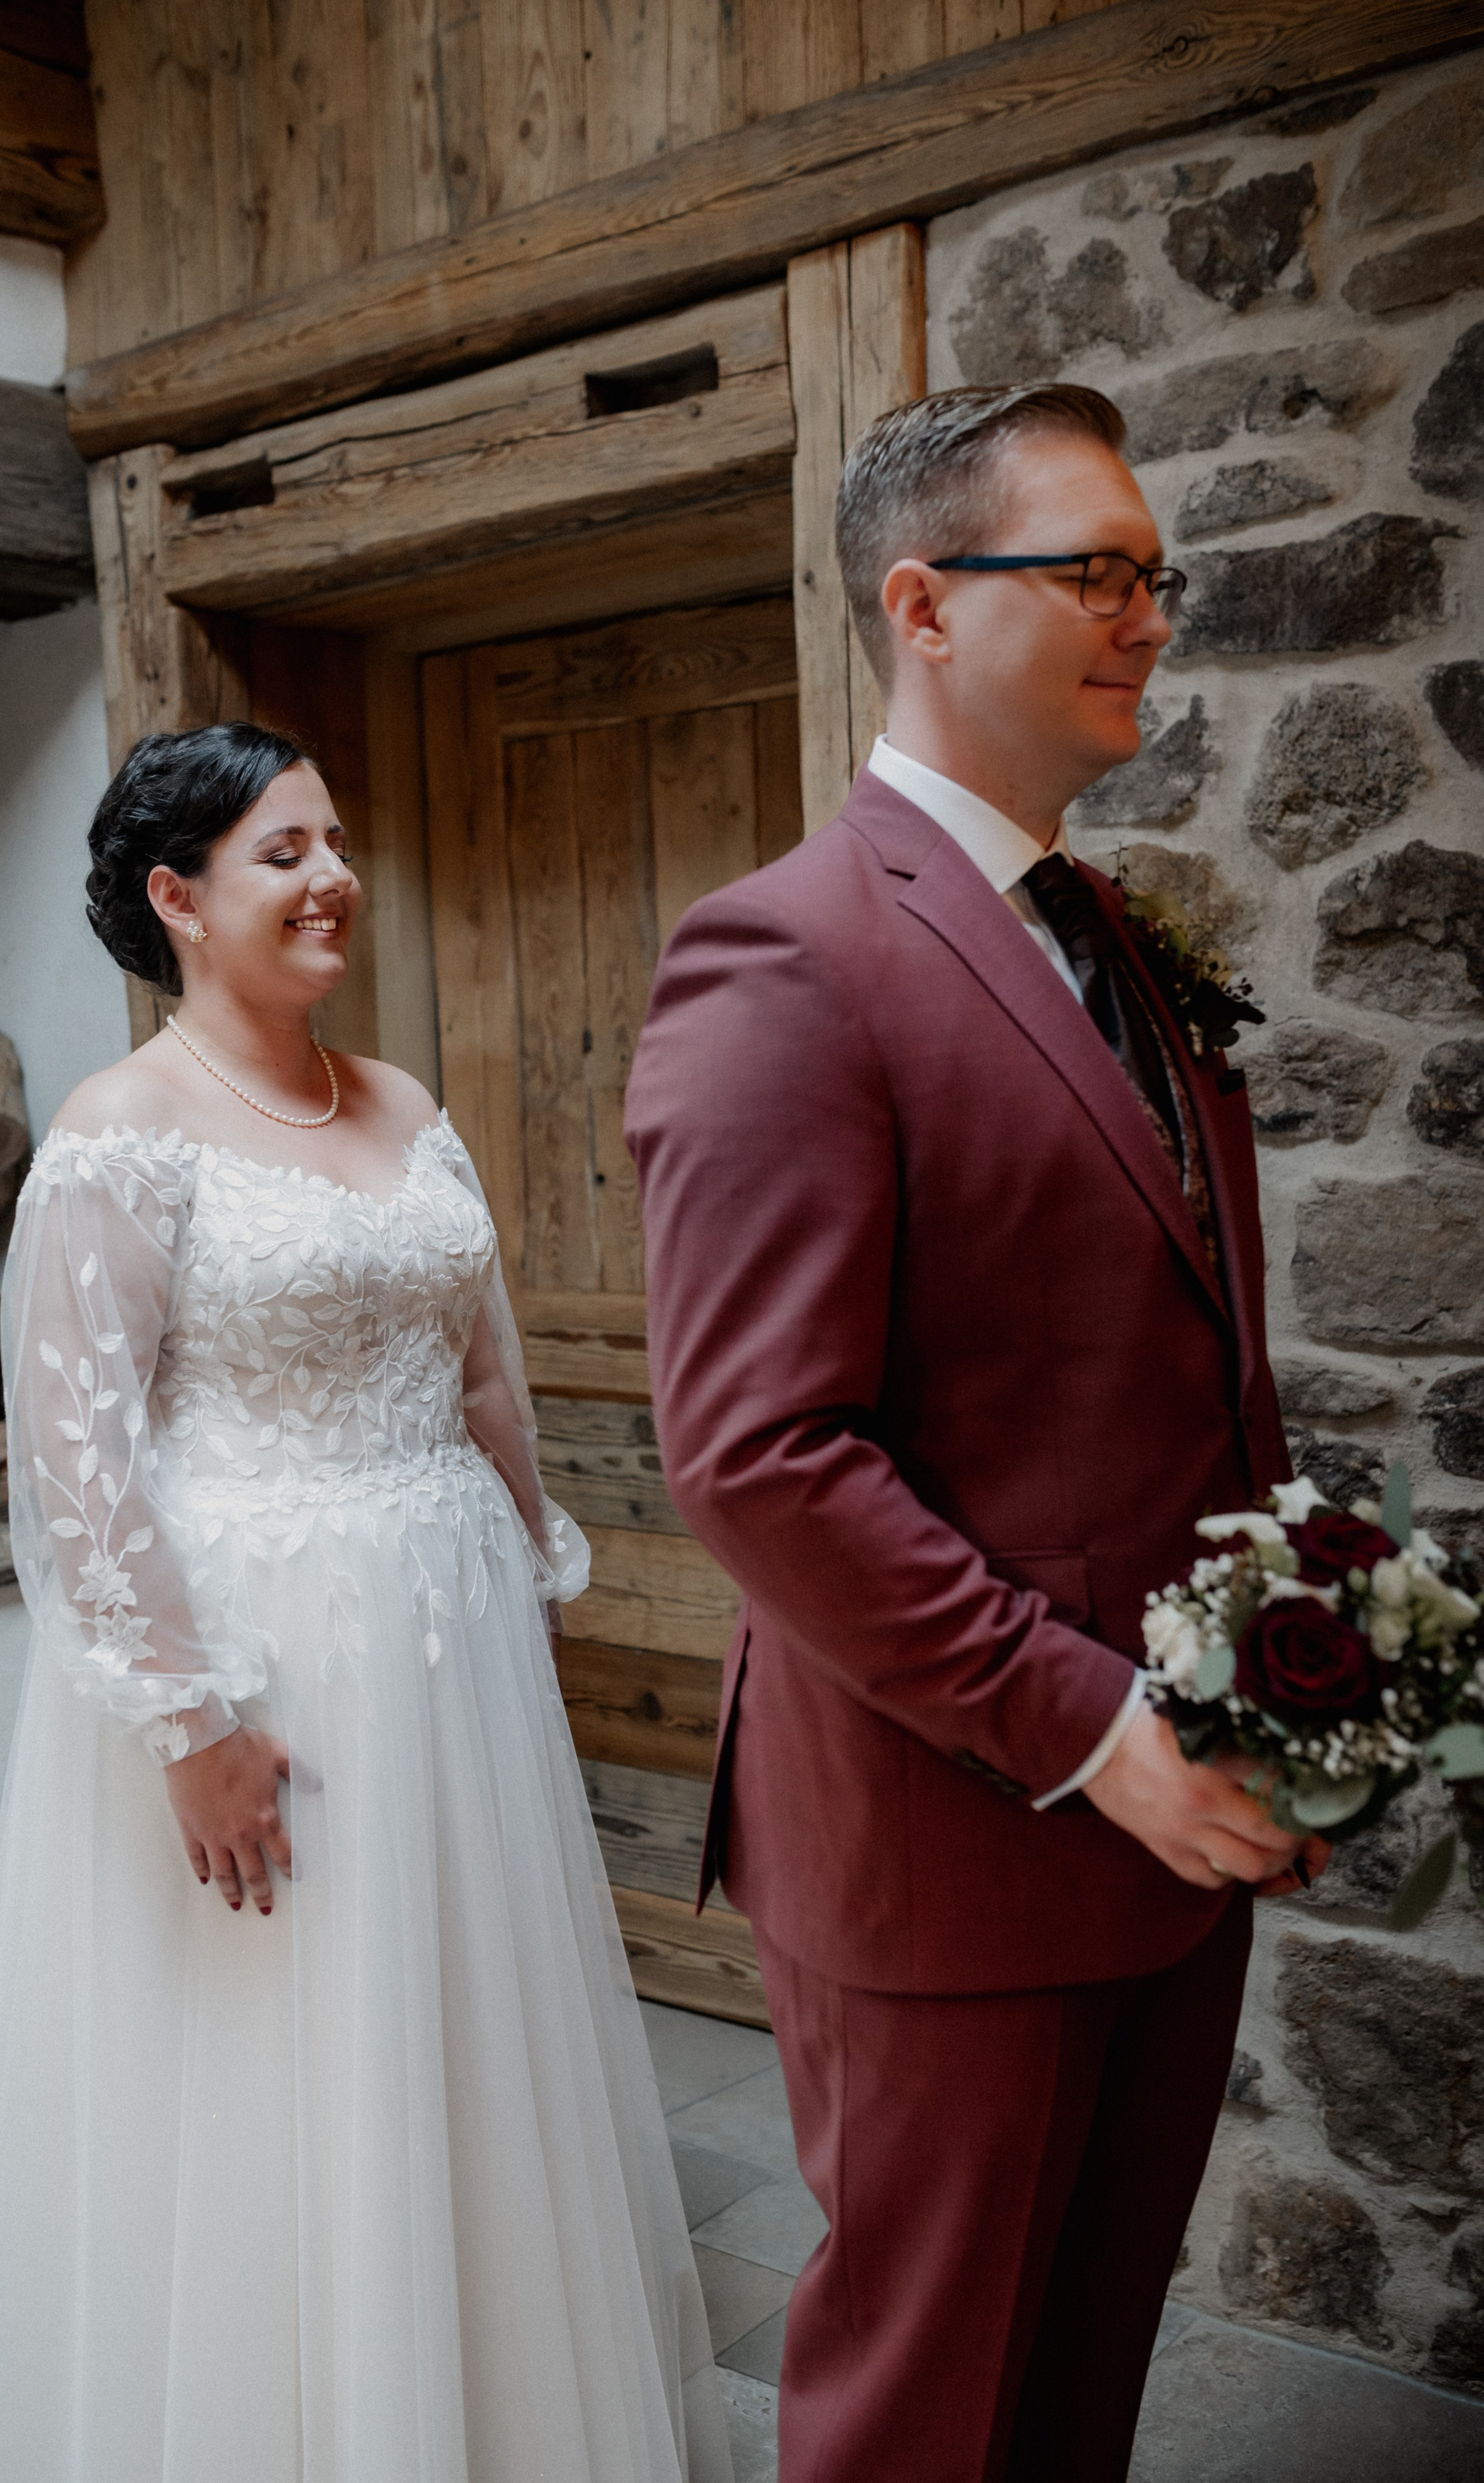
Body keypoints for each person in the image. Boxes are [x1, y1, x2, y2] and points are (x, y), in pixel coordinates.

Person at [624, 383, 1327, 2483]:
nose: (1149, 616)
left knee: (1078, 2393)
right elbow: (760, 1456)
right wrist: (1102, 1733)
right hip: (962, 1832)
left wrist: (1275, 1685)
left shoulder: (1118, 942)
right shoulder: (784, 957)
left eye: (1154, 576)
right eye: (1096, 573)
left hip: (1175, 1832)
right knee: (925, 2419)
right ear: (924, 607)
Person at [0, 723, 729, 2483]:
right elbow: (80, 1464)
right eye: (286, 851)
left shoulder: (407, 1105)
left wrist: (535, 1574)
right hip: (268, 1652)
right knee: (287, 2070)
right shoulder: (120, 1137)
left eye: (335, 841)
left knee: (464, 2050)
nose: (333, 874)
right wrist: (191, 1727)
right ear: (177, 897)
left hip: (450, 1648)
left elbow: (488, 1379)